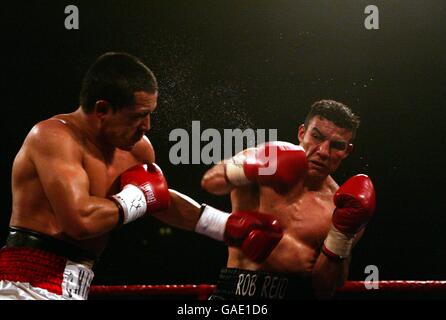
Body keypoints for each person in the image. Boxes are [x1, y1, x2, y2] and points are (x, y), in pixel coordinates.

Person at [0, 52, 283, 300]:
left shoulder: (136, 150)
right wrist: (137, 196)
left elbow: (158, 199)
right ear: (102, 110)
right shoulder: (53, 137)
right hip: (26, 282)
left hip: (77, 283)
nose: (146, 126)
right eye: (137, 116)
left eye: (150, 115)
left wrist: (226, 227)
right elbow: (80, 221)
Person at [201, 99, 376, 299]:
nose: (323, 152)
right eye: (317, 137)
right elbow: (210, 182)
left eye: (336, 145)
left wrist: (341, 236)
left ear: (347, 151)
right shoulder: (265, 159)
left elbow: (325, 287)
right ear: (302, 133)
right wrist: (251, 169)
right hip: (234, 292)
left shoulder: (342, 207)